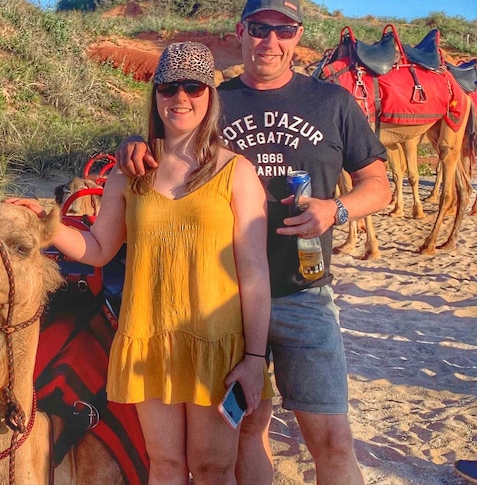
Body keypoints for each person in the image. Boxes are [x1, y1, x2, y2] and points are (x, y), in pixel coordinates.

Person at [115, 0, 392, 483]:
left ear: (298, 36)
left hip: (301, 289)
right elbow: (164, 144)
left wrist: (336, 209)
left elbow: (379, 185)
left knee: (330, 437)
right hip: (220, 303)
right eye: (260, 28)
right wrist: (130, 144)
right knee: (245, 436)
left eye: (283, 31)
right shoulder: (211, 99)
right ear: (240, 31)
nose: (270, 41)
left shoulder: (332, 102)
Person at [11, 41, 273, 484]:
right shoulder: (130, 172)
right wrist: (46, 225)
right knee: (165, 465)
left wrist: (253, 357)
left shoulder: (237, 172)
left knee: (213, 468)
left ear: (210, 94)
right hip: (150, 338)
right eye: (169, 87)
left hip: (217, 343)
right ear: (155, 95)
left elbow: (254, 273)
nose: (181, 99)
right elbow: (98, 249)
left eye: (193, 86)